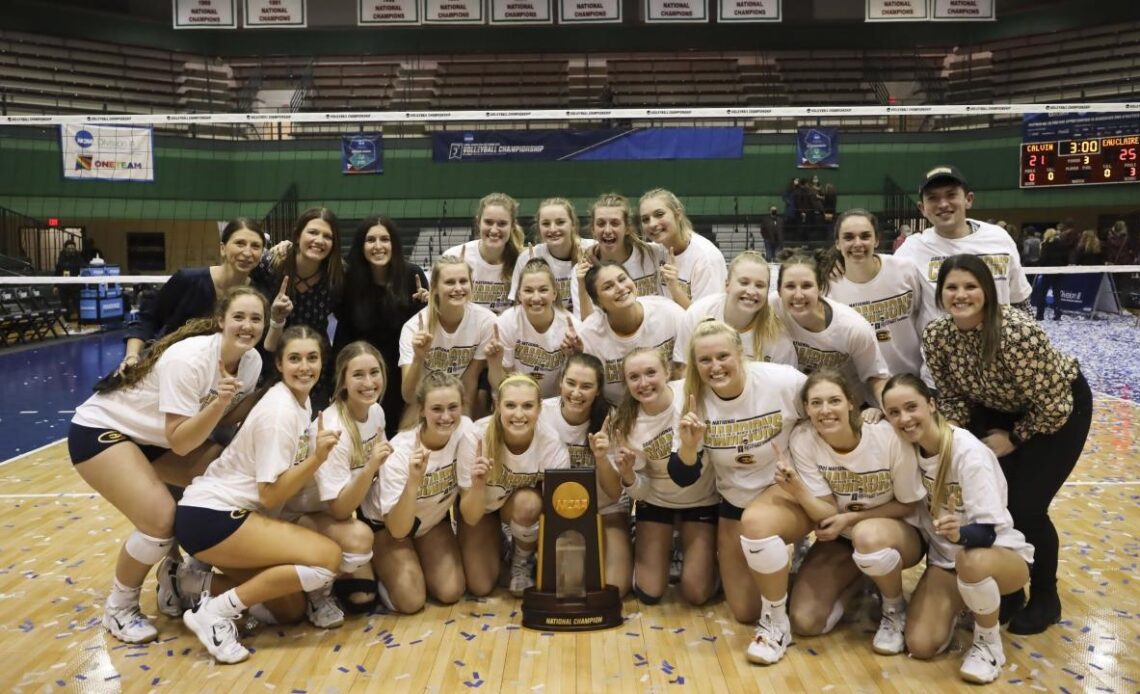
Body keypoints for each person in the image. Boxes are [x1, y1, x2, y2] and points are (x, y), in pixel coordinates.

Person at [68, 287, 266, 643]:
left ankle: (183, 576)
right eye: (239, 317)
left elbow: (223, 414)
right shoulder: (189, 360)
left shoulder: (252, 363)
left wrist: (264, 398)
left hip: (151, 439)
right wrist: (221, 404)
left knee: (220, 479)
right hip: (103, 430)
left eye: (256, 319)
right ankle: (120, 607)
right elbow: (182, 440)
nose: (247, 325)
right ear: (220, 320)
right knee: (159, 520)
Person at [922, 254, 1091, 635]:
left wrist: (1013, 440)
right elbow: (951, 398)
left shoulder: (1016, 333)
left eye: (970, 286)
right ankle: (1010, 588)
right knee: (995, 504)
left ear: (988, 292)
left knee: (1027, 507)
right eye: (952, 287)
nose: (960, 294)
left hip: (1057, 411)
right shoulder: (937, 335)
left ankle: (1046, 596)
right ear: (941, 293)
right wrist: (949, 443)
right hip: (999, 409)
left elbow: (1054, 406)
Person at [175, 326, 345, 664]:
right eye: (294, 359)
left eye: (312, 358)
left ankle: (189, 583)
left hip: (223, 517)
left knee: (289, 608)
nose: (304, 366)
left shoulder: (300, 399)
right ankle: (213, 614)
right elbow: (269, 496)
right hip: (213, 516)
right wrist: (317, 459)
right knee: (328, 558)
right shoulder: (280, 411)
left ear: (322, 362)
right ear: (279, 365)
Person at [881, 373, 1034, 684]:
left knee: (970, 559)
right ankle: (966, 601)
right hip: (946, 562)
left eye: (912, 407)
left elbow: (987, 533)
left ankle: (988, 643)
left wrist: (959, 535)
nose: (904, 419)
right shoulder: (905, 448)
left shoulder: (969, 453)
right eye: (893, 412)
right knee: (920, 645)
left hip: (995, 556)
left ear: (933, 404)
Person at [666, 320, 806, 626]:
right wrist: (689, 447)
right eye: (705, 360)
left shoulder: (782, 381)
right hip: (734, 503)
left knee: (758, 524)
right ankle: (790, 578)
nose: (715, 366)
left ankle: (778, 617)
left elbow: (824, 411)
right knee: (744, 612)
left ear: (740, 353)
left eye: (722, 356)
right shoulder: (690, 398)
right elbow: (683, 476)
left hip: (784, 490)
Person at [781, 369, 925, 660]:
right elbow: (826, 509)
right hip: (843, 538)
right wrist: (798, 490)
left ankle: (893, 609)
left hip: (898, 533)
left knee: (866, 534)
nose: (825, 410)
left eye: (834, 400)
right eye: (815, 403)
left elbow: (907, 505)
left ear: (850, 402)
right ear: (806, 409)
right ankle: (863, 580)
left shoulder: (887, 438)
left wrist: (849, 519)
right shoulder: (803, 439)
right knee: (805, 622)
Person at [278, 341, 391, 624]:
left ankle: (322, 570)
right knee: (359, 538)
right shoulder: (333, 427)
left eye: (374, 372)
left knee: (363, 599)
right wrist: (370, 467)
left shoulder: (375, 412)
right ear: (343, 381)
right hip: (295, 516)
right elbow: (340, 510)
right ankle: (318, 590)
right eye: (358, 375)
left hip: (331, 515)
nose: (369, 382)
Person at [610, 347, 717, 606]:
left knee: (695, 593)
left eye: (650, 373)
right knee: (648, 593)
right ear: (626, 382)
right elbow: (642, 492)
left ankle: (709, 555)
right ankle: (654, 539)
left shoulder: (692, 394)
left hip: (702, 501)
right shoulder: (626, 424)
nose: (644, 383)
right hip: (656, 502)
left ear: (667, 372)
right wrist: (627, 477)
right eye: (634, 377)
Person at [361, 371, 471, 613]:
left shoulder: (466, 433)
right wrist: (413, 481)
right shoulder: (400, 453)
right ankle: (372, 568)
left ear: (463, 407)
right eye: (436, 409)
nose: (445, 416)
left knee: (451, 591)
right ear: (422, 410)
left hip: (430, 521)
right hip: (388, 526)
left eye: (453, 407)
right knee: (411, 602)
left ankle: (418, 561)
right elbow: (398, 529)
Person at [457, 374, 571, 596]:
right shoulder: (475, 438)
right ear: (497, 407)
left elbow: (557, 511)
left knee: (528, 502)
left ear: (539, 409)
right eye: (510, 405)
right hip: (481, 510)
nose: (519, 414)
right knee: (480, 586)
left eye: (527, 406)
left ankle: (522, 559)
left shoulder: (551, 443)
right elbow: (470, 516)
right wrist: (479, 485)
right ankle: (502, 545)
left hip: (518, 509)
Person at [122, 218, 268, 375]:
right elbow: (147, 318)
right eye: (240, 243)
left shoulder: (258, 294)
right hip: (166, 370)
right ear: (222, 248)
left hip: (217, 381)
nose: (247, 252)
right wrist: (132, 356)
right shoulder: (188, 280)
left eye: (255, 246)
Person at [538, 352, 631, 596]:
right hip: (561, 511)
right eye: (571, 383)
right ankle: (524, 549)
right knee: (569, 585)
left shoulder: (612, 419)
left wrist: (601, 458)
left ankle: (627, 537)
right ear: (560, 381)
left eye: (586, 386)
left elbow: (613, 491)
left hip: (606, 507)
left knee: (616, 589)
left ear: (598, 390)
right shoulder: (542, 414)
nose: (577, 393)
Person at [895, 166, 1033, 330]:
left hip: (998, 350)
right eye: (933, 198)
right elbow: (901, 311)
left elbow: (1020, 301)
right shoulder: (911, 250)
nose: (943, 204)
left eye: (951, 194)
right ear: (922, 208)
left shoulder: (999, 238)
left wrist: (1029, 343)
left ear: (968, 199)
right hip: (941, 352)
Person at [332, 215, 429, 437]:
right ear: (361, 246)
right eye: (371, 240)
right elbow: (343, 335)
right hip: (364, 374)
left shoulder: (412, 276)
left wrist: (429, 303)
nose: (378, 246)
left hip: (402, 374)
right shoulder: (349, 279)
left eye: (384, 239)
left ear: (393, 244)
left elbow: (423, 326)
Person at [255, 207, 346, 411]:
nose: (319, 240)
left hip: (314, 367)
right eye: (313, 232)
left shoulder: (338, 276)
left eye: (327, 236)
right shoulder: (270, 265)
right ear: (297, 236)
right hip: (271, 360)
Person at [776, 251, 889, 408]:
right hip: (801, 408)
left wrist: (887, 408)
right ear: (779, 291)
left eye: (807, 286)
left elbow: (875, 377)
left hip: (850, 408)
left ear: (820, 288)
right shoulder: (771, 309)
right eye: (790, 286)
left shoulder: (852, 328)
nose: (798, 295)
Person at [826, 209, 928, 379]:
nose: (857, 243)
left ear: (877, 240)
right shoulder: (829, 286)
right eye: (848, 237)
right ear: (837, 243)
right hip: (863, 389)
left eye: (865, 236)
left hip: (913, 380)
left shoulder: (905, 269)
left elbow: (922, 315)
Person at [398, 255, 496, 419]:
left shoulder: (486, 321)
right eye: (450, 282)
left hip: (460, 398)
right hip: (425, 401)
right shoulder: (414, 327)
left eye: (463, 281)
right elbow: (408, 396)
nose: (458, 288)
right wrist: (418, 358)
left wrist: (463, 424)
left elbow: (470, 381)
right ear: (434, 287)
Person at [578, 261, 685, 405]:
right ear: (598, 302)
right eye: (608, 287)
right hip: (618, 411)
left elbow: (686, 367)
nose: (620, 288)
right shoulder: (588, 334)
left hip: (671, 403)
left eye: (622, 279)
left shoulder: (668, 311)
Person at [673, 250, 796, 368]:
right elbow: (683, 370)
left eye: (760, 285)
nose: (751, 291)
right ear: (727, 285)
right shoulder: (698, 313)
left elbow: (785, 386)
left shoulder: (778, 338)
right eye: (744, 282)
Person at [488, 258, 582, 398]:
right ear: (519, 295)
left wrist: (573, 357)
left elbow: (569, 385)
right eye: (528, 290)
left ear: (554, 293)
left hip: (554, 400)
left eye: (543, 290)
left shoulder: (572, 327)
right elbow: (504, 382)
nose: (536, 298)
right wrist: (493, 363)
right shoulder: (507, 322)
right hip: (515, 397)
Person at [575, 193, 669, 319]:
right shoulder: (583, 272)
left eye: (615, 223)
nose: (607, 230)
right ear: (593, 229)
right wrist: (582, 286)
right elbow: (587, 325)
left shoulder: (654, 254)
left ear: (628, 228)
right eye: (601, 223)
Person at [637, 188, 727, 308]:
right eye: (645, 219)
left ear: (678, 215)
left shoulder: (707, 259)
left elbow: (708, 320)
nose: (652, 224)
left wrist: (675, 290)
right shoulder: (658, 249)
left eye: (659, 214)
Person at [507, 198, 596, 318]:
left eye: (560, 222)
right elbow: (518, 308)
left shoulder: (592, 250)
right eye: (546, 224)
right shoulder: (527, 257)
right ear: (539, 228)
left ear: (573, 224)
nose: (553, 229)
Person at [444, 192, 525, 315]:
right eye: (488, 222)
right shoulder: (454, 257)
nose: (494, 230)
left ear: (512, 226)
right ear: (478, 222)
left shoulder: (522, 261)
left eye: (502, 224)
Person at [1033, 227, 1068, 321]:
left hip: (1047, 272)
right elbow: (1066, 259)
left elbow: (1043, 258)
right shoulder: (1063, 244)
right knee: (1057, 293)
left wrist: (1039, 264)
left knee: (1042, 293)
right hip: (1059, 271)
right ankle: (1058, 314)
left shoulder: (1045, 244)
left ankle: (1040, 315)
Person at [54, 238, 83, 319]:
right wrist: (56, 286)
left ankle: (80, 321)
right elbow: (58, 272)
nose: (71, 250)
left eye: (73, 248)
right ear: (65, 248)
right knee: (64, 304)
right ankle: (66, 321)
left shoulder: (78, 258)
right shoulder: (61, 258)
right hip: (64, 286)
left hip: (75, 285)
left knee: (77, 304)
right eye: (69, 248)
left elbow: (83, 268)